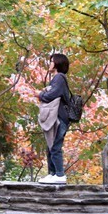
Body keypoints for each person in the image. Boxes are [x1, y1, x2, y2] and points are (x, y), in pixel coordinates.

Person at [38, 53, 71, 184]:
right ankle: (52, 174)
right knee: (50, 145)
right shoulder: (57, 79)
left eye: (52, 61)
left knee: (55, 146)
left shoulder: (59, 77)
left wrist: (40, 94)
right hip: (57, 117)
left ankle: (60, 174)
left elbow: (51, 95)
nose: (50, 63)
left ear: (57, 63)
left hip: (60, 118)